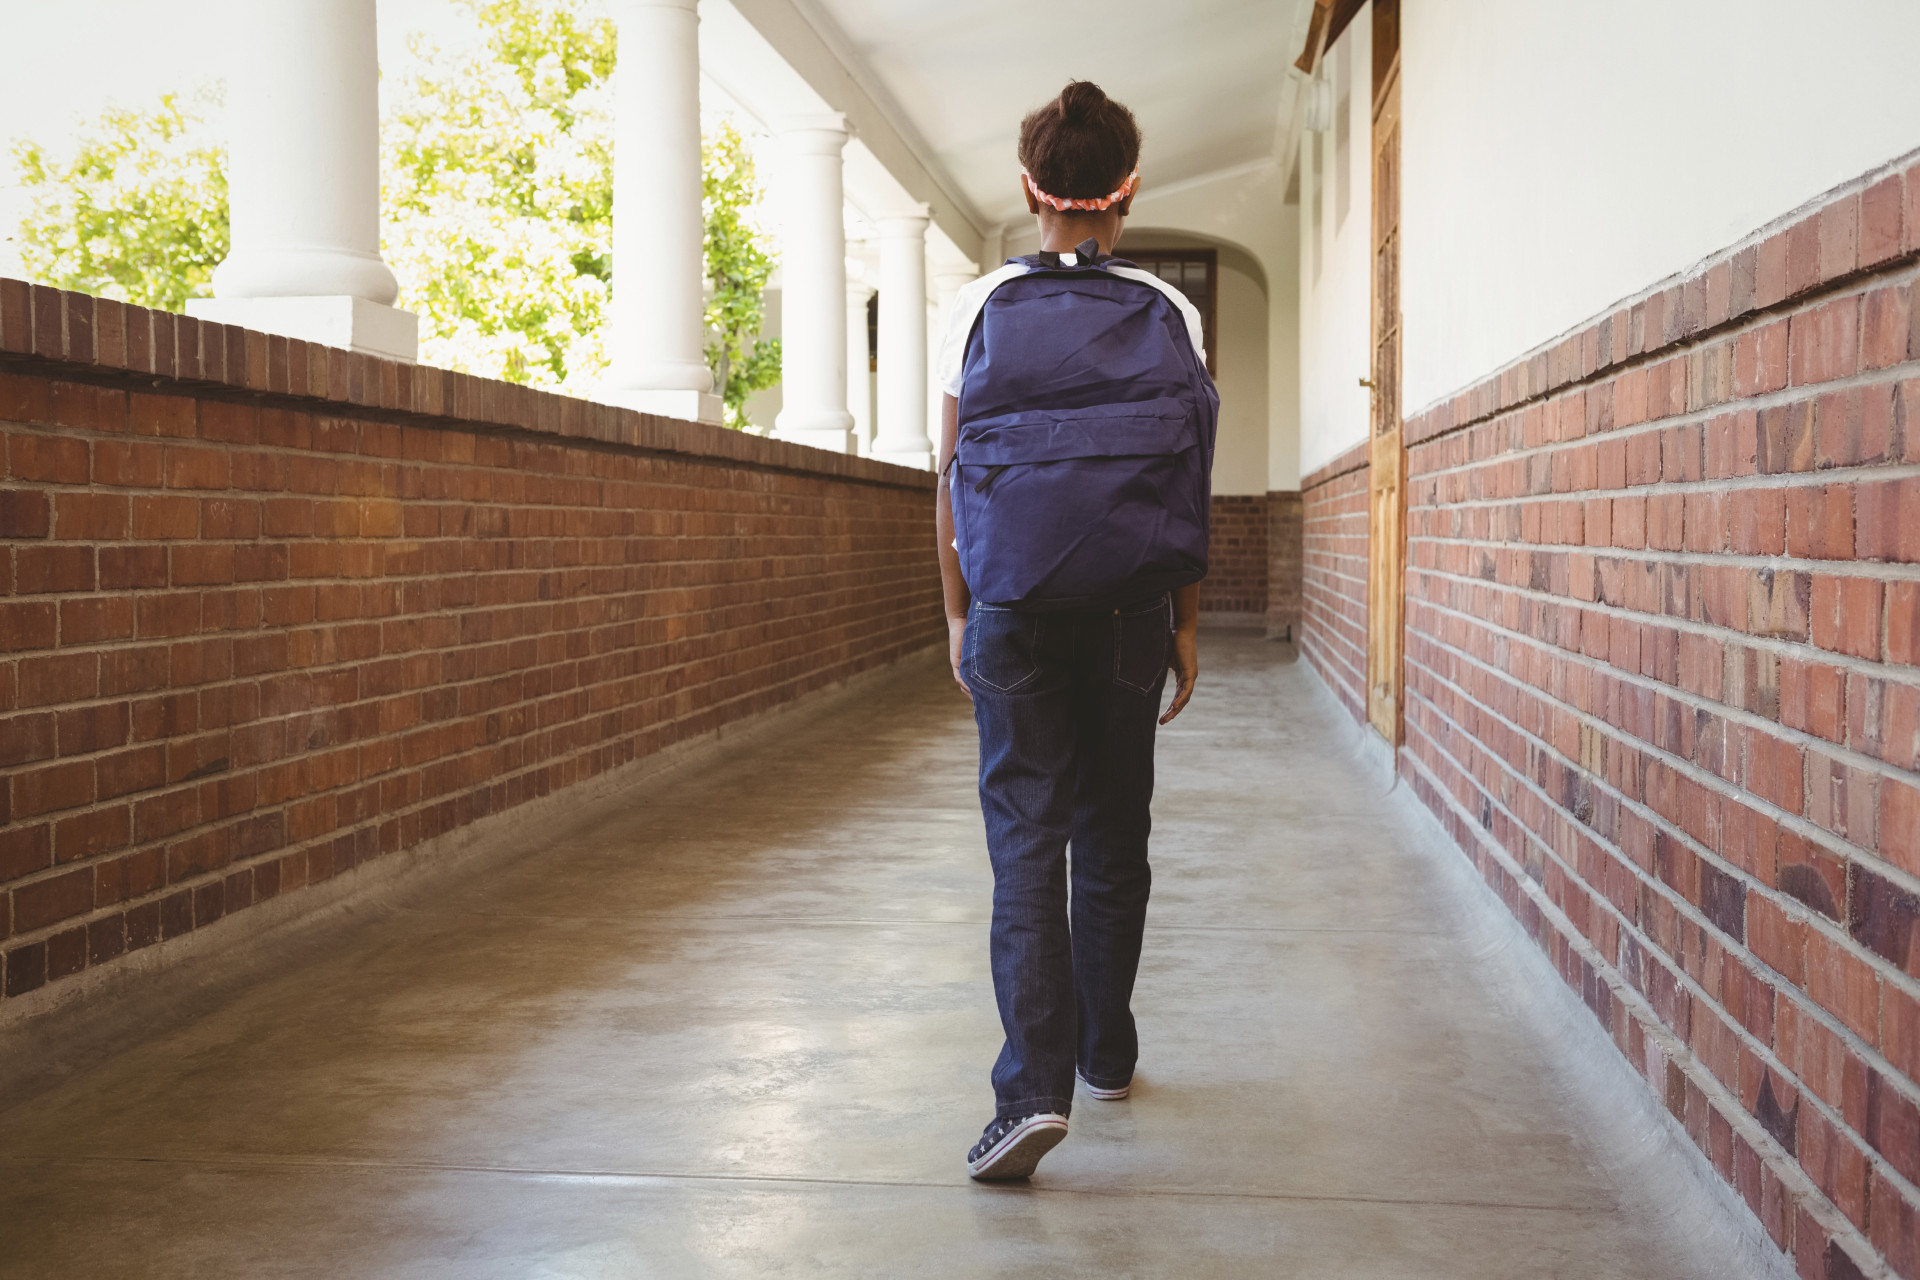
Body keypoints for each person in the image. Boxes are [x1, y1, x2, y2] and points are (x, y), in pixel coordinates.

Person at [933, 80, 1217, 1181]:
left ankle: (1027, 1093)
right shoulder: (1171, 310)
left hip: (1010, 605)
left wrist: (959, 614)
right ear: (1127, 189)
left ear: (1029, 189)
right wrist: (1187, 623)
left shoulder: (975, 302)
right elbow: (1190, 474)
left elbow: (948, 477)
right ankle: (1105, 1052)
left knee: (1024, 843)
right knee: (1112, 831)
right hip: (1130, 607)